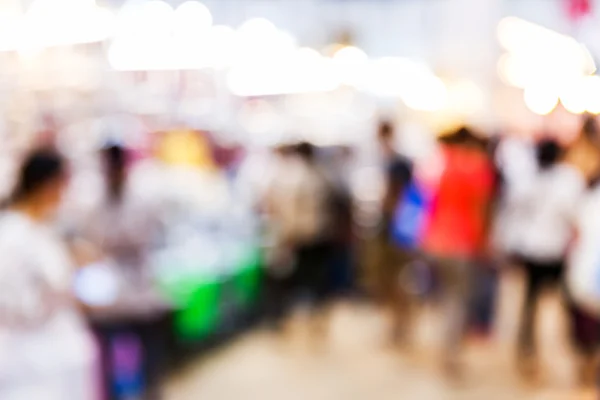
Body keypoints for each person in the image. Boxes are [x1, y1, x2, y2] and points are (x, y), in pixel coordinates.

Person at [0, 148, 96, 400]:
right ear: (49, 185)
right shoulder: (12, 235)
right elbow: (13, 304)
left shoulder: (43, 227)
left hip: (58, 355)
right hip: (31, 362)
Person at [420, 127, 496, 375]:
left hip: (436, 241)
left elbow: (430, 202)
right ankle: (450, 354)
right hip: (462, 244)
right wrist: (484, 243)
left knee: (445, 298)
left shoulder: (445, 165)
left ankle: (446, 348)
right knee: (459, 301)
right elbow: (481, 211)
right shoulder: (478, 168)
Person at [509, 138, 586, 379]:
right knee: (565, 303)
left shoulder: (528, 178)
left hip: (533, 248)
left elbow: (515, 210)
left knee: (531, 302)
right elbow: (574, 213)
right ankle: (576, 349)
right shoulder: (567, 180)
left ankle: (528, 348)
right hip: (554, 250)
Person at [372, 121, 414, 345]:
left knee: (397, 279)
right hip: (392, 227)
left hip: (396, 229)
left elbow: (395, 197)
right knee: (389, 280)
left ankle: (401, 326)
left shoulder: (397, 162)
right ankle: (396, 326)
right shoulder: (390, 160)